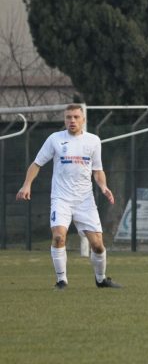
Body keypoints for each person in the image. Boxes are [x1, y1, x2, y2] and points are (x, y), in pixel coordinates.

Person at [16, 104, 120, 290]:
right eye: (68, 117)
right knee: (58, 237)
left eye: (75, 117)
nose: (72, 121)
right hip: (61, 199)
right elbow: (36, 164)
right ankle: (61, 280)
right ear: (64, 120)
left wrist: (103, 186)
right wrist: (27, 184)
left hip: (85, 200)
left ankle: (101, 279)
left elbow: (97, 170)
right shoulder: (55, 139)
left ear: (83, 120)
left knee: (97, 245)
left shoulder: (93, 141)